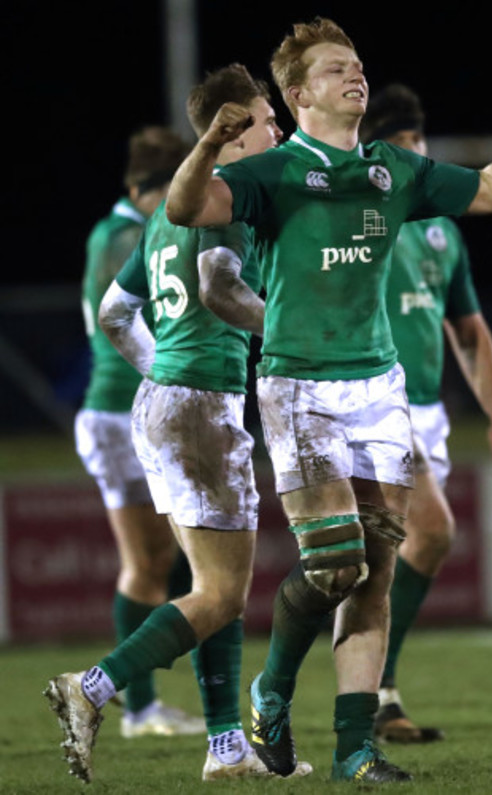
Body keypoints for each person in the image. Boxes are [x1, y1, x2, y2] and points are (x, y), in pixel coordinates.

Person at [165, 17, 492, 783]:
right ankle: (271, 690)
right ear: (297, 96)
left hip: (380, 385)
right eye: (334, 70)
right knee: (334, 564)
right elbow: (186, 208)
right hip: (299, 384)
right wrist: (203, 145)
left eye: (356, 65)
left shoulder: (394, 169)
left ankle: (356, 747)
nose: (354, 76)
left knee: (378, 569)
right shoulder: (275, 172)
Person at [45, 64, 311, 783]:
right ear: (229, 129)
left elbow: (112, 314)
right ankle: (93, 688)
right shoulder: (229, 204)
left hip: (163, 402)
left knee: (210, 584)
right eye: (265, 118)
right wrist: (292, 334)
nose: (279, 128)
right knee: (221, 592)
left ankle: (226, 746)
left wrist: (158, 368)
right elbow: (219, 286)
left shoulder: (168, 210)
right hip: (199, 406)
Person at [358, 83, 492, 743]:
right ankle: (371, 692)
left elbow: (470, 331)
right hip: (374, 400)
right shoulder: (364, 219)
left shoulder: (443, 234)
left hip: (428, 412)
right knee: (432, 530)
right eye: (398, 149)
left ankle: (369, 698)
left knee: (378, 560)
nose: (412, 159)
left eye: (418, 147)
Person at [74, 125, 204, 738]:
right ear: (144, 187)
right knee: (149, 563)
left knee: (162, 559)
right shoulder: (127, 233)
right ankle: (139, 706)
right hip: (118, 410)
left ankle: (142, 701)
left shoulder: (117, 231)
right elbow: (116, 323)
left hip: (117, 411)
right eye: (170, 187)